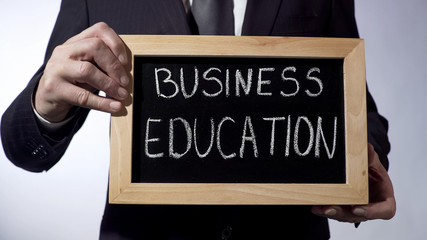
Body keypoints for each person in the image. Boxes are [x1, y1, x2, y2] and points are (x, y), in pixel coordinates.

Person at [1, 0, 395, 239]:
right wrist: (45, 107)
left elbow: (357, 102)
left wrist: (364, 162)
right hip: (144, 235)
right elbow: (25, 146)